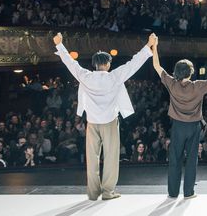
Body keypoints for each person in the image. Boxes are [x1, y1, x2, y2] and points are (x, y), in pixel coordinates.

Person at [53, 32, 155, 201]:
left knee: (92, 158)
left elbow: (70, 63)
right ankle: (108, 192)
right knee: (111, 157)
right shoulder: (114, 76)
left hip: (92, 122)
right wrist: (148, 45)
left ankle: (93, 193)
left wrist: (59, 45)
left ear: (94, 65)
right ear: (108, 64)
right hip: (109, 122)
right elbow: (134, 64)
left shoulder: (85, 76)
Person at [151, 37, 207, 199]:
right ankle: (188, 192)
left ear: (176, 72)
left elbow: (156, 66)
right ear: (191, 72)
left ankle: (172, 193)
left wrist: (155, 46)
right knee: (191, 160)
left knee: (175, 159)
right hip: (193, 127)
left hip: (177, 126)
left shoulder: (171, 83)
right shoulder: (197, 86)